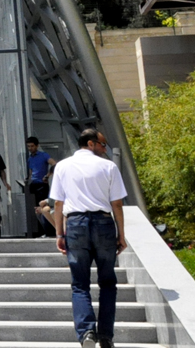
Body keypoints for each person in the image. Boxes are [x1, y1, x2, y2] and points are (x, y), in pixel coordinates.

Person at [51, 129, 127, 348]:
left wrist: (59, 233)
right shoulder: (108, 167)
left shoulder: (63, 166)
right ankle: (105, 336)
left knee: (80, 284)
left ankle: (86, 333)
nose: (105, 149)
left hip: (75, 224)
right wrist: (121, 235)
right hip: (103, 224)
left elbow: (58, 203)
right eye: (103, 145)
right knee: (107, 283)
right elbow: (117, 204)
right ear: (91, 143)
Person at [26, 136, 56, 209]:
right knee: (35, 207)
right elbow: (31, 172)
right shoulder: (30, 158)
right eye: (28, 146)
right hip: (33, 185)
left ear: (37, 145)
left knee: (43, 206)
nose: (30, 148)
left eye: (32, 146)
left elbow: (54, 164)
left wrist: (47, 175)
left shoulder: (43, 155)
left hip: (42, 185)